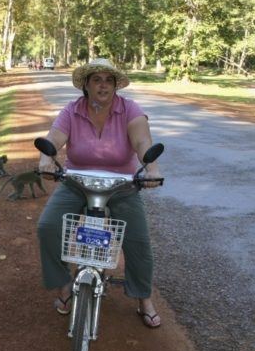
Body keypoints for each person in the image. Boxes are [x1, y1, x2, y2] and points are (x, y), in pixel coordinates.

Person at [36, 58, 164, 328]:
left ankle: (143, 298)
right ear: (86, 85)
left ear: (116, 85)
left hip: (122, 185)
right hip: (76, 181)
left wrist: (151, 168)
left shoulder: (130, 109)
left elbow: (142, 141)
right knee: (48, 226)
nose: (103, 85)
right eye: (97, 79)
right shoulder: (72, 111)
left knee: (138, 241)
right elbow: (54, 139)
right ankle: (63, 284)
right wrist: (46, 159)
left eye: (109, 80)